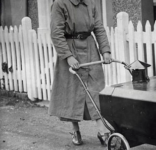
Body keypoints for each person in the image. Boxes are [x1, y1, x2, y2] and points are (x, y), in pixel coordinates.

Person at [49, 0, 112, 146]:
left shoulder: (90, 3)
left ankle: (102, 129)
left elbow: (99, 28)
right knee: (72, 92)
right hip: (70, 49)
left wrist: (106, 51)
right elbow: (56, 33)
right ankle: (75, 129)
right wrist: (68, 56)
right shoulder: (60, 4)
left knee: (95, 89)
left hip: (90, 48)